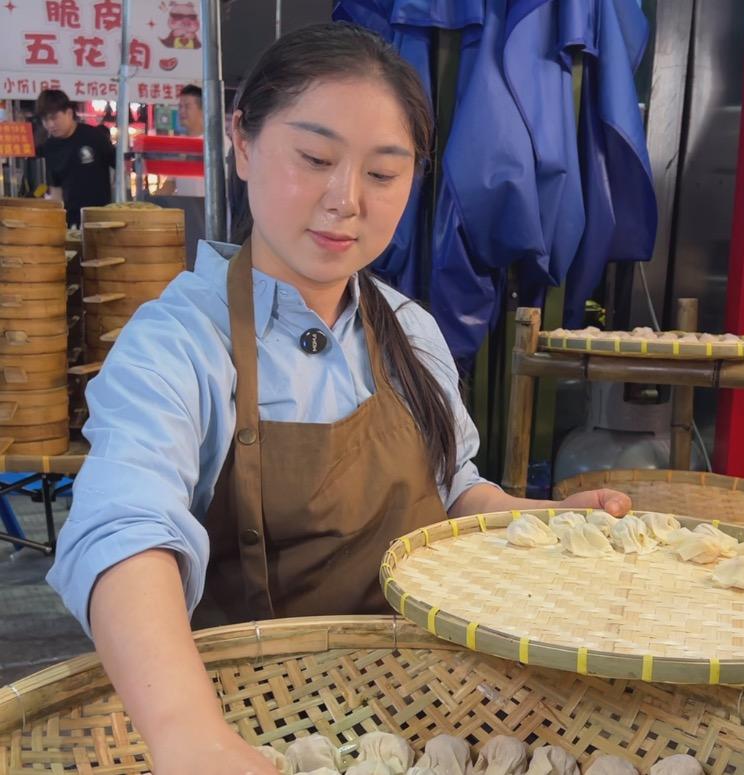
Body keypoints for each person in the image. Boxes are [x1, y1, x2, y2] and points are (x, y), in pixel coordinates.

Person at [48, 23, 630, 775]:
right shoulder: (177, 343)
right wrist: (190, 735)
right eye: (315, 159)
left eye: (384, 174)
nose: (344, 200)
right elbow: (123, 530)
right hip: (262, 730)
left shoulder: (410, 332)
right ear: (243, 141)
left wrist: (550, 522)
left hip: (430, 720)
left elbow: (455, 495)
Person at [36, 89, 114, 227]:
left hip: (102, 218)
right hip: (70, 222)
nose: (50, 125)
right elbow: (56, 190)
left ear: (70, 113)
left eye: (54, 118)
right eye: (45, 120)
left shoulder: (94, 137)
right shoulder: (50, 147)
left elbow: (120, 171)